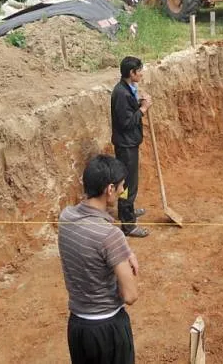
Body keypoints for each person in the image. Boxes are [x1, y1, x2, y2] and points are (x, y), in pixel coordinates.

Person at [58, 155, 140, 364]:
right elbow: (130, 295)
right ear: (109, 189)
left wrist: (123, 251)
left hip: (78, 328)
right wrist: (126, 261)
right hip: (108, 329)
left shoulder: (65, 218)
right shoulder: (110, 236)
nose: (123, 191)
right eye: (121, 186)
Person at [111, 56, 152, 237]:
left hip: (128, 143)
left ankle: (126, 212)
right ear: (131, 73)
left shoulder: (126, 89)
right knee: (128, 184)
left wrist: (140, 102)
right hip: (126, 145)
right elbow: (126, 122)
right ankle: (128, 225)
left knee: (128, 183)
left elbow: (129, 109)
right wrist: (143, 109)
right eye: (139, 71)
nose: (141, 74)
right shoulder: (121, 94)